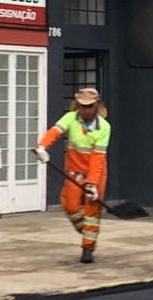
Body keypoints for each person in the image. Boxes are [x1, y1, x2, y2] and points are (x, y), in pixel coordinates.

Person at [33, 88, 111, 263]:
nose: (86, 110)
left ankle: (87, 248)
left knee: (92, 209)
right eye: (82, 106)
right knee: (71, 206)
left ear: (96, 106)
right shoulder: (71, 118)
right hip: (74, 171)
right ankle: (89, 232)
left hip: (95, 173)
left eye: (89, 106)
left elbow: (98, 158)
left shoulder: (104, 127)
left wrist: (92, 184)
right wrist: (42, 147)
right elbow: (55, 131)